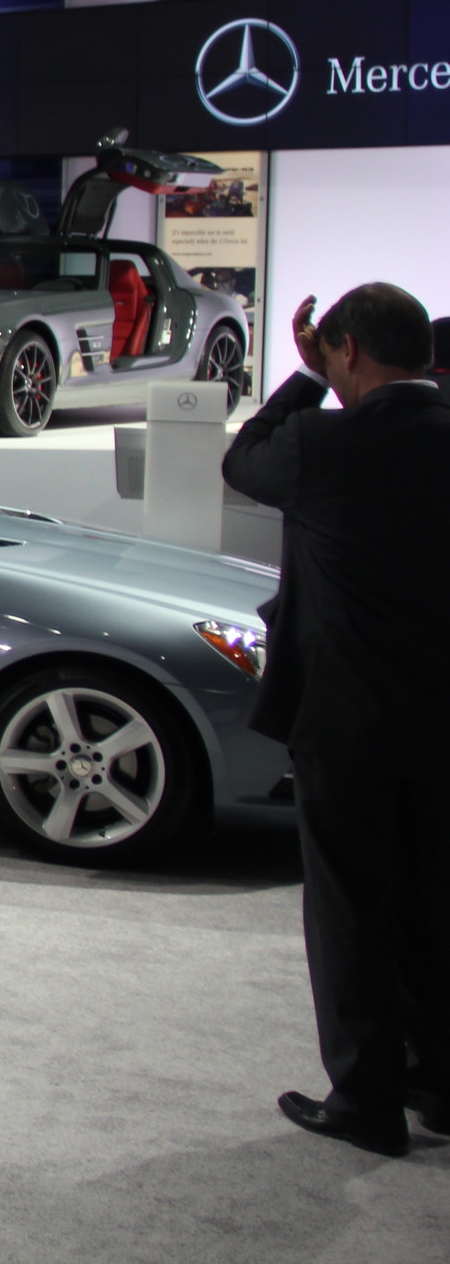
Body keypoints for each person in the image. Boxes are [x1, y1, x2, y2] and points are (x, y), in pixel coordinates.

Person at [223, 282, 450, 1158]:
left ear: (346, 350)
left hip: (349, 720)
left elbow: (246, 460)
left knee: (352, 906)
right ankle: (441, 1081)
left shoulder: (325, 443)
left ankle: (366, 1097)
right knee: (438, 899)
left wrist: (303, 378)